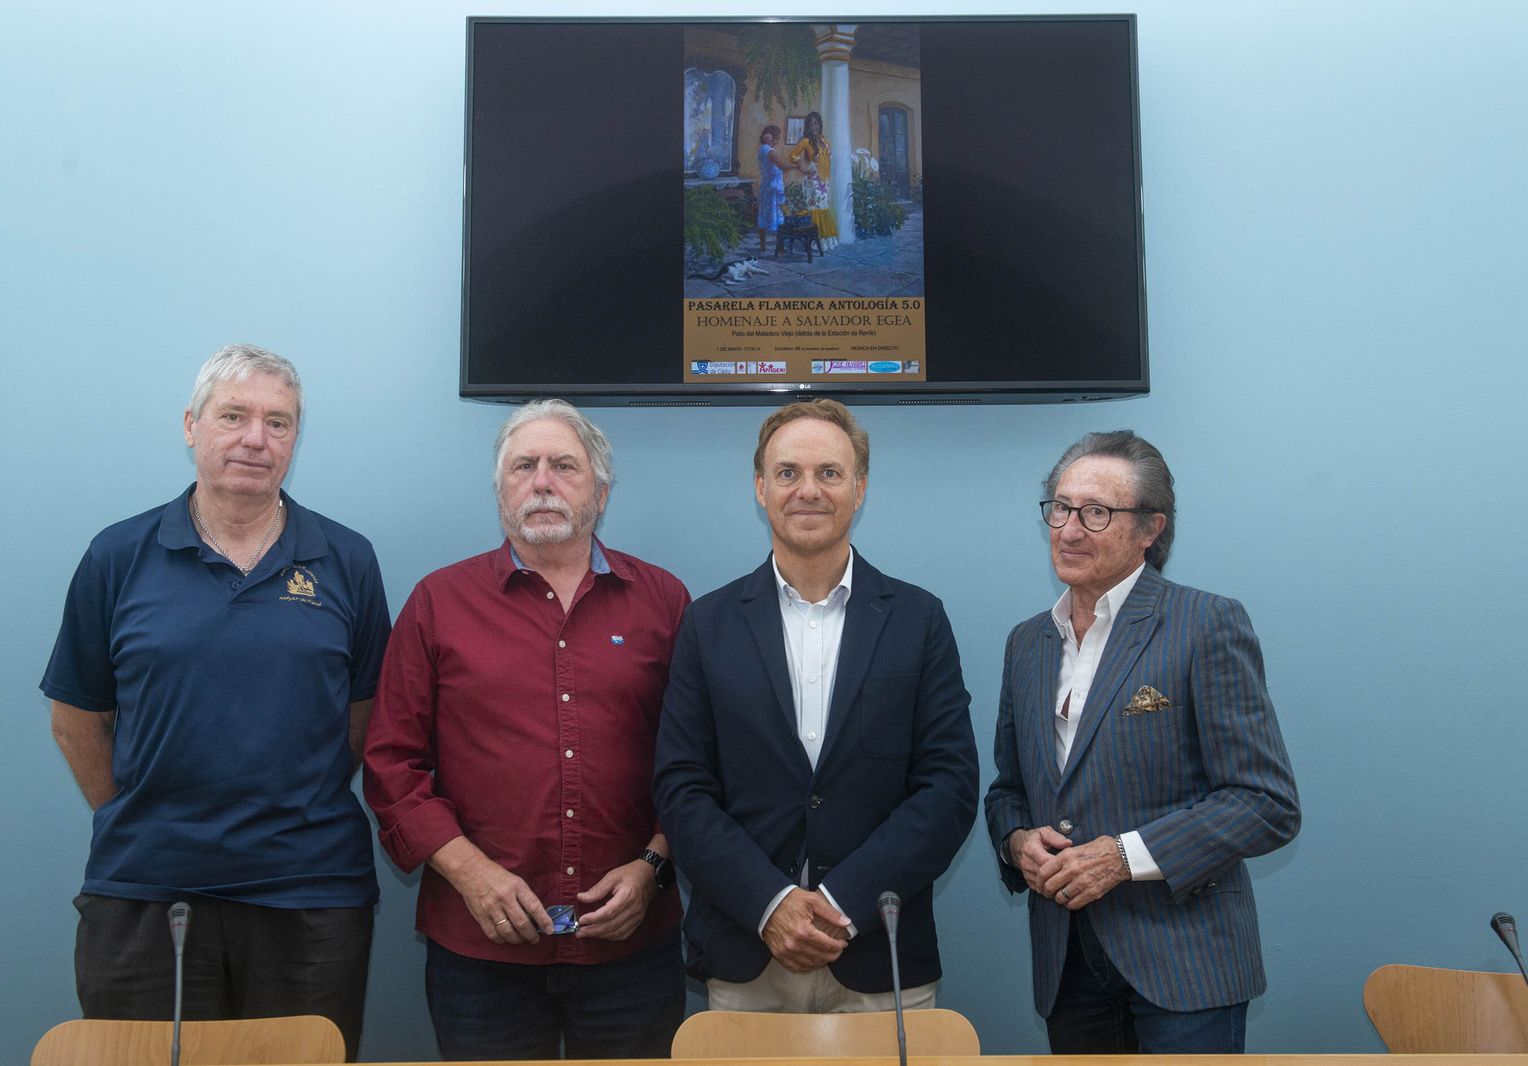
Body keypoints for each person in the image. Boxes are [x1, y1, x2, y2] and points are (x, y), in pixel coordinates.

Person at [42, 344, 391, 1059]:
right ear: (191, 426)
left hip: (311, 896)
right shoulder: (118, 555)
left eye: (278, 421)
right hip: (145, 893)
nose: (255, 438)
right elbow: (77, 718)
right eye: (234, 415)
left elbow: (362, 715)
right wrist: (140, 814)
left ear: (296, 439)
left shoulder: (346, 559)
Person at [362, 399, 689, 1061]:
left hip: (629, 945)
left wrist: (654, 866)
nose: (542, 481)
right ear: (501, 490)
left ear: (599, 491)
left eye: (563, 466)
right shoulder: (437, 603)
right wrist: (471, 874)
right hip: (480, 951)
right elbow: (390, 763)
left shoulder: (665, 602)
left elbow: (700, 763)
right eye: (523, 467)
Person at [653, 399, 978, 1013]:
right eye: (787, 473)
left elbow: (949, 786)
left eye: (829, 472)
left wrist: (844, 901)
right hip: (747, 951)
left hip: (881, 952)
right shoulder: (708, 623)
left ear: (859, 488)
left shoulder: (919, 619)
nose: (808, 490)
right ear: (759, 487)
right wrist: (770, 904)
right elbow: (682, 787)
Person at [985, 430, 1300, 1054]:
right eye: (1060, 508)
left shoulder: (1206, 623)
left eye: (1096, 513)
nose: (1069, 529)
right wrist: (1018, 840)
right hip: (1067, 966)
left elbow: (1265, 802)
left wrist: (1122, 857)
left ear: (1149, 529)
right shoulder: (1027, 642)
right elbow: (1008, 790)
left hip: (1185, 964)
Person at [788, 111, 838, 248]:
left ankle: (824, 240)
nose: (814, 127)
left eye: (816, 124)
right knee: (816, 209)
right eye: (811, 125)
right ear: (807, 127)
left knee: (824, 208)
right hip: (812, 182)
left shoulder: (823, 140)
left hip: (824, 181)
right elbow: (792, 155)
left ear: (820, 124)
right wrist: (803, 167)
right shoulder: (805, 141)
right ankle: (814, 242)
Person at [756, 124, 800, 254]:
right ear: (770, 137)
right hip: (773, 188)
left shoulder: (762, 149)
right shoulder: (769, 151)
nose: (778, 140)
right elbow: (782, 165)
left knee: (764, 215)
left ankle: (763, 246)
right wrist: (797, 166)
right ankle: (779, 246)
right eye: (777, 138)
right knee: (778, 217)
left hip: (766, 186)